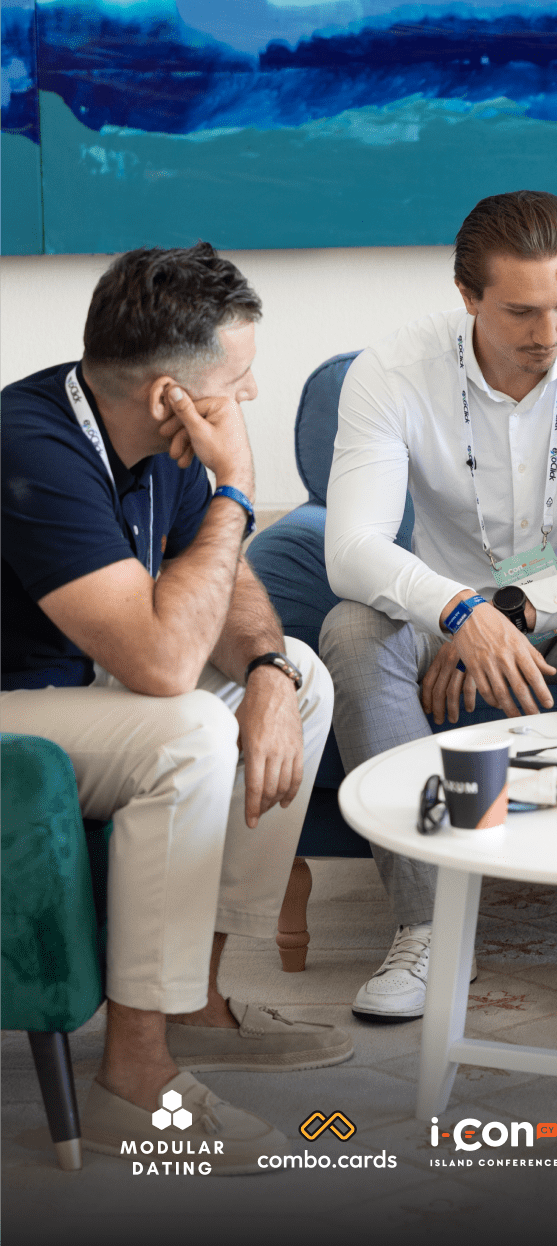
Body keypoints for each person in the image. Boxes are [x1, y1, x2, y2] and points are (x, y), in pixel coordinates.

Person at [0, 244, 352, 1171]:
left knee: (301, 676)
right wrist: (237, 488)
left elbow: (225, 591)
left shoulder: (155, 440)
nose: (251, 395)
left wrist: (267, 671)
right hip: (11, 717)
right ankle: (134, 1077)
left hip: (76, 693)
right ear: (171, 397)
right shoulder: (30, 445)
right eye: (236, 383)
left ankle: (195, 1003)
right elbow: (162, 665)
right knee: (187, 730)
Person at [320, 190, 557, 1020]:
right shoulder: (391, 370)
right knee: (350, 630)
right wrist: (461, 614)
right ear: (467, 296)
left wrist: (515, 611)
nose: (549, 332)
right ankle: (429, 925)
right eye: (521, 311)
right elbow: (349, 549)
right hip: (446, 617)